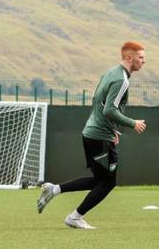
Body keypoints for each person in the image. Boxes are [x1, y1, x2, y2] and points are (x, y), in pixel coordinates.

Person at [36, 41, 147, 229]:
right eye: (141, 57)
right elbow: (109, 110)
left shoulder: (110, 72)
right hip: (99, 138)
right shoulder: (121, 80)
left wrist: (112, 129)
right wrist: (132, 123)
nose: (144, 61)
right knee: (108, 182)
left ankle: (53, 190)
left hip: (93, 134)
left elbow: (98, 102)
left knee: (99, 180)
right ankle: (74, 217)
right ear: (129, 57)